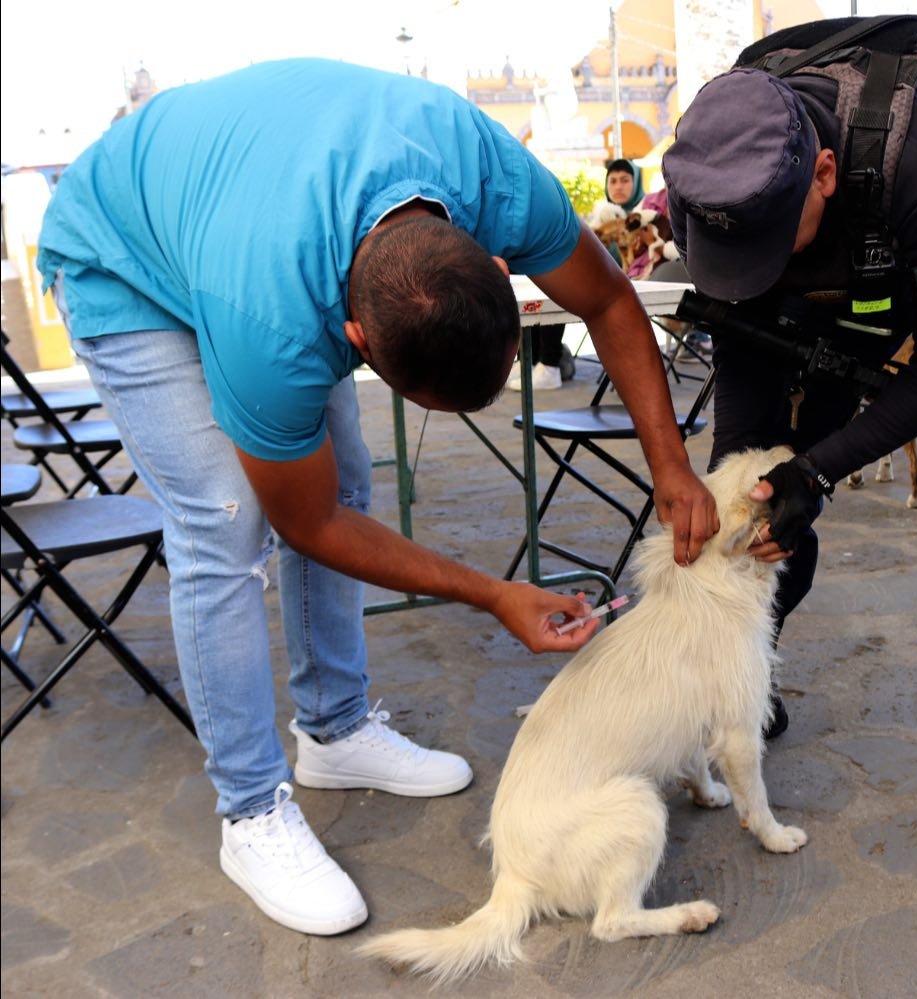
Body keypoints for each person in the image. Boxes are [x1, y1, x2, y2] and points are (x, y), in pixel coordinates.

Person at [37, 59, 718, 936]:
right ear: (353, 340)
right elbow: (308, 522)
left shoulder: (496, 179)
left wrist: (671, 467)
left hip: (255, 206)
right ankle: (248, 810)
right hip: (124, 257)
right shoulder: (271, 323)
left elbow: (612, 304)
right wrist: (493, 592)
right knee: (222, 521)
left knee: (346, 474)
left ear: (498, 260)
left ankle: (335, 726)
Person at [664, 53, 917, 855]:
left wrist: (816, 470)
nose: (757, 261)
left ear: (821, 172)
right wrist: (765, 481)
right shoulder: (710, 169)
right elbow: (744, 354)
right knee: (755, 491)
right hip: (810, 295)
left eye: (773, 242)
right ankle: (739, 683)